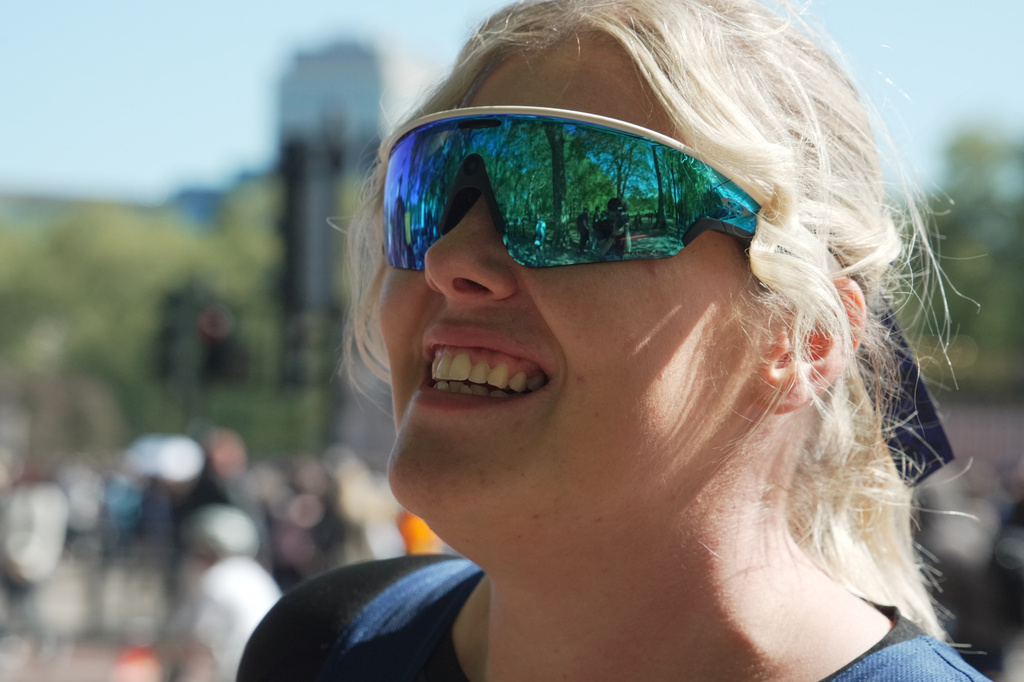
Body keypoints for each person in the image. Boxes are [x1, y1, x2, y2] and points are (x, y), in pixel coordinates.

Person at [240, 0, 984, 680]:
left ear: (802, 338)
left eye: (580, 202)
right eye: (428, 193)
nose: (448, 260)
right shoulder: (323, 649)